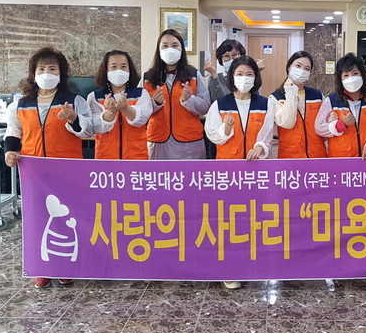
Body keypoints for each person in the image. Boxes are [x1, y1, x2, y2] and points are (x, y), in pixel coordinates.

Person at [4, 46, 93, 289]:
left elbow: (88, 131)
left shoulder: (74, 101)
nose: (46, 73)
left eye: (52, 68)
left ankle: (65, 266)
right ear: (33, 74)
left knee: (68, 218)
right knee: (37, 219)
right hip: (33, 172)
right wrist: (10, 152)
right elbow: (14, 132)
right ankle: (41, 267)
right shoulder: (21, 104)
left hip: (67, 171)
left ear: (61, 73)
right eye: (41, 69)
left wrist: (73, 118)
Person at [204, 55, 274, 290]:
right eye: (240, 74)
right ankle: (230, 268)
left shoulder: (265, 103)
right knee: (228, 221)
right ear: (232, 77)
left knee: (254, 219)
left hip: (256, 172)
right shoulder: (220, 104)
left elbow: (267, 134)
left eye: (249, 74)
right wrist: (226, 129)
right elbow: (213, 135)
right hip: (228, 173)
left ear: (256, 77)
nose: (245, 79)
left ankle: (253, 264)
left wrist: (259, 148)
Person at [143, 29, 210, 160]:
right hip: (158, 140)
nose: (170, 49)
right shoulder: (148, 77)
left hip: (189, 142)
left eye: (175, 45)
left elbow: (205, 107)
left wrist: (189, 100)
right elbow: (139, 112)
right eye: (165, 46)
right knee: (158, 173)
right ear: (159, 49)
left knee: (189, 173)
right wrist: (154, 103)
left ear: (181, 49)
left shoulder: (193, 75)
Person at [315, 53, 366, 158]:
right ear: (340, 79)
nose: (351, 78)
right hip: (340, 160)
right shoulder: (331, 101)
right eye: (346, 75)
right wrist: (340, 125)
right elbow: (319, 128)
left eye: (355, 73)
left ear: (362, 75)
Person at [88, 50, 152, 159]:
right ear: (106, 70)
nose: (119, 71)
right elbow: (95, 127)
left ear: (129, 70)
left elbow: (142, 119)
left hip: (136, 156)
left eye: (123, 67)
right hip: (105, 157)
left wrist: (126, 108)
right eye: (114, 67)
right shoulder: (94, 97)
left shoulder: (141, 93)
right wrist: (111, 111)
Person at [270, 51, 327, 158]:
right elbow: (288, 123)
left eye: (307, 69)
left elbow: (326, 124)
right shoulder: (275, 98)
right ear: (289, 67)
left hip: (317, 156)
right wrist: (290, 92)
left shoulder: (317, 95)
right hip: (290, 157)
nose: (302, 71)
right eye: (298, 66)